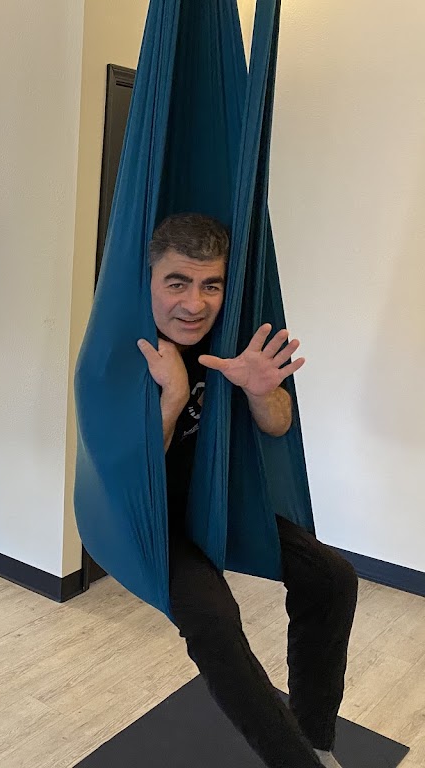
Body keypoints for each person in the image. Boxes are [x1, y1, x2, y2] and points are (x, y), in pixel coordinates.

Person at [136, 213, 357, 768]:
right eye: (177, 283)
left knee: (332, 578)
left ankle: (315, 739)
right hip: (152, 521)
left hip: (216, 505)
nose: (194, 304)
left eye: (210, 285)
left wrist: (262, 390)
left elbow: (278, 424)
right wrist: (174, 397)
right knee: (213, 620)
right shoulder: (129, 352)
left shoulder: (232, 341)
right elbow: (132, 480)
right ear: (149, 280)